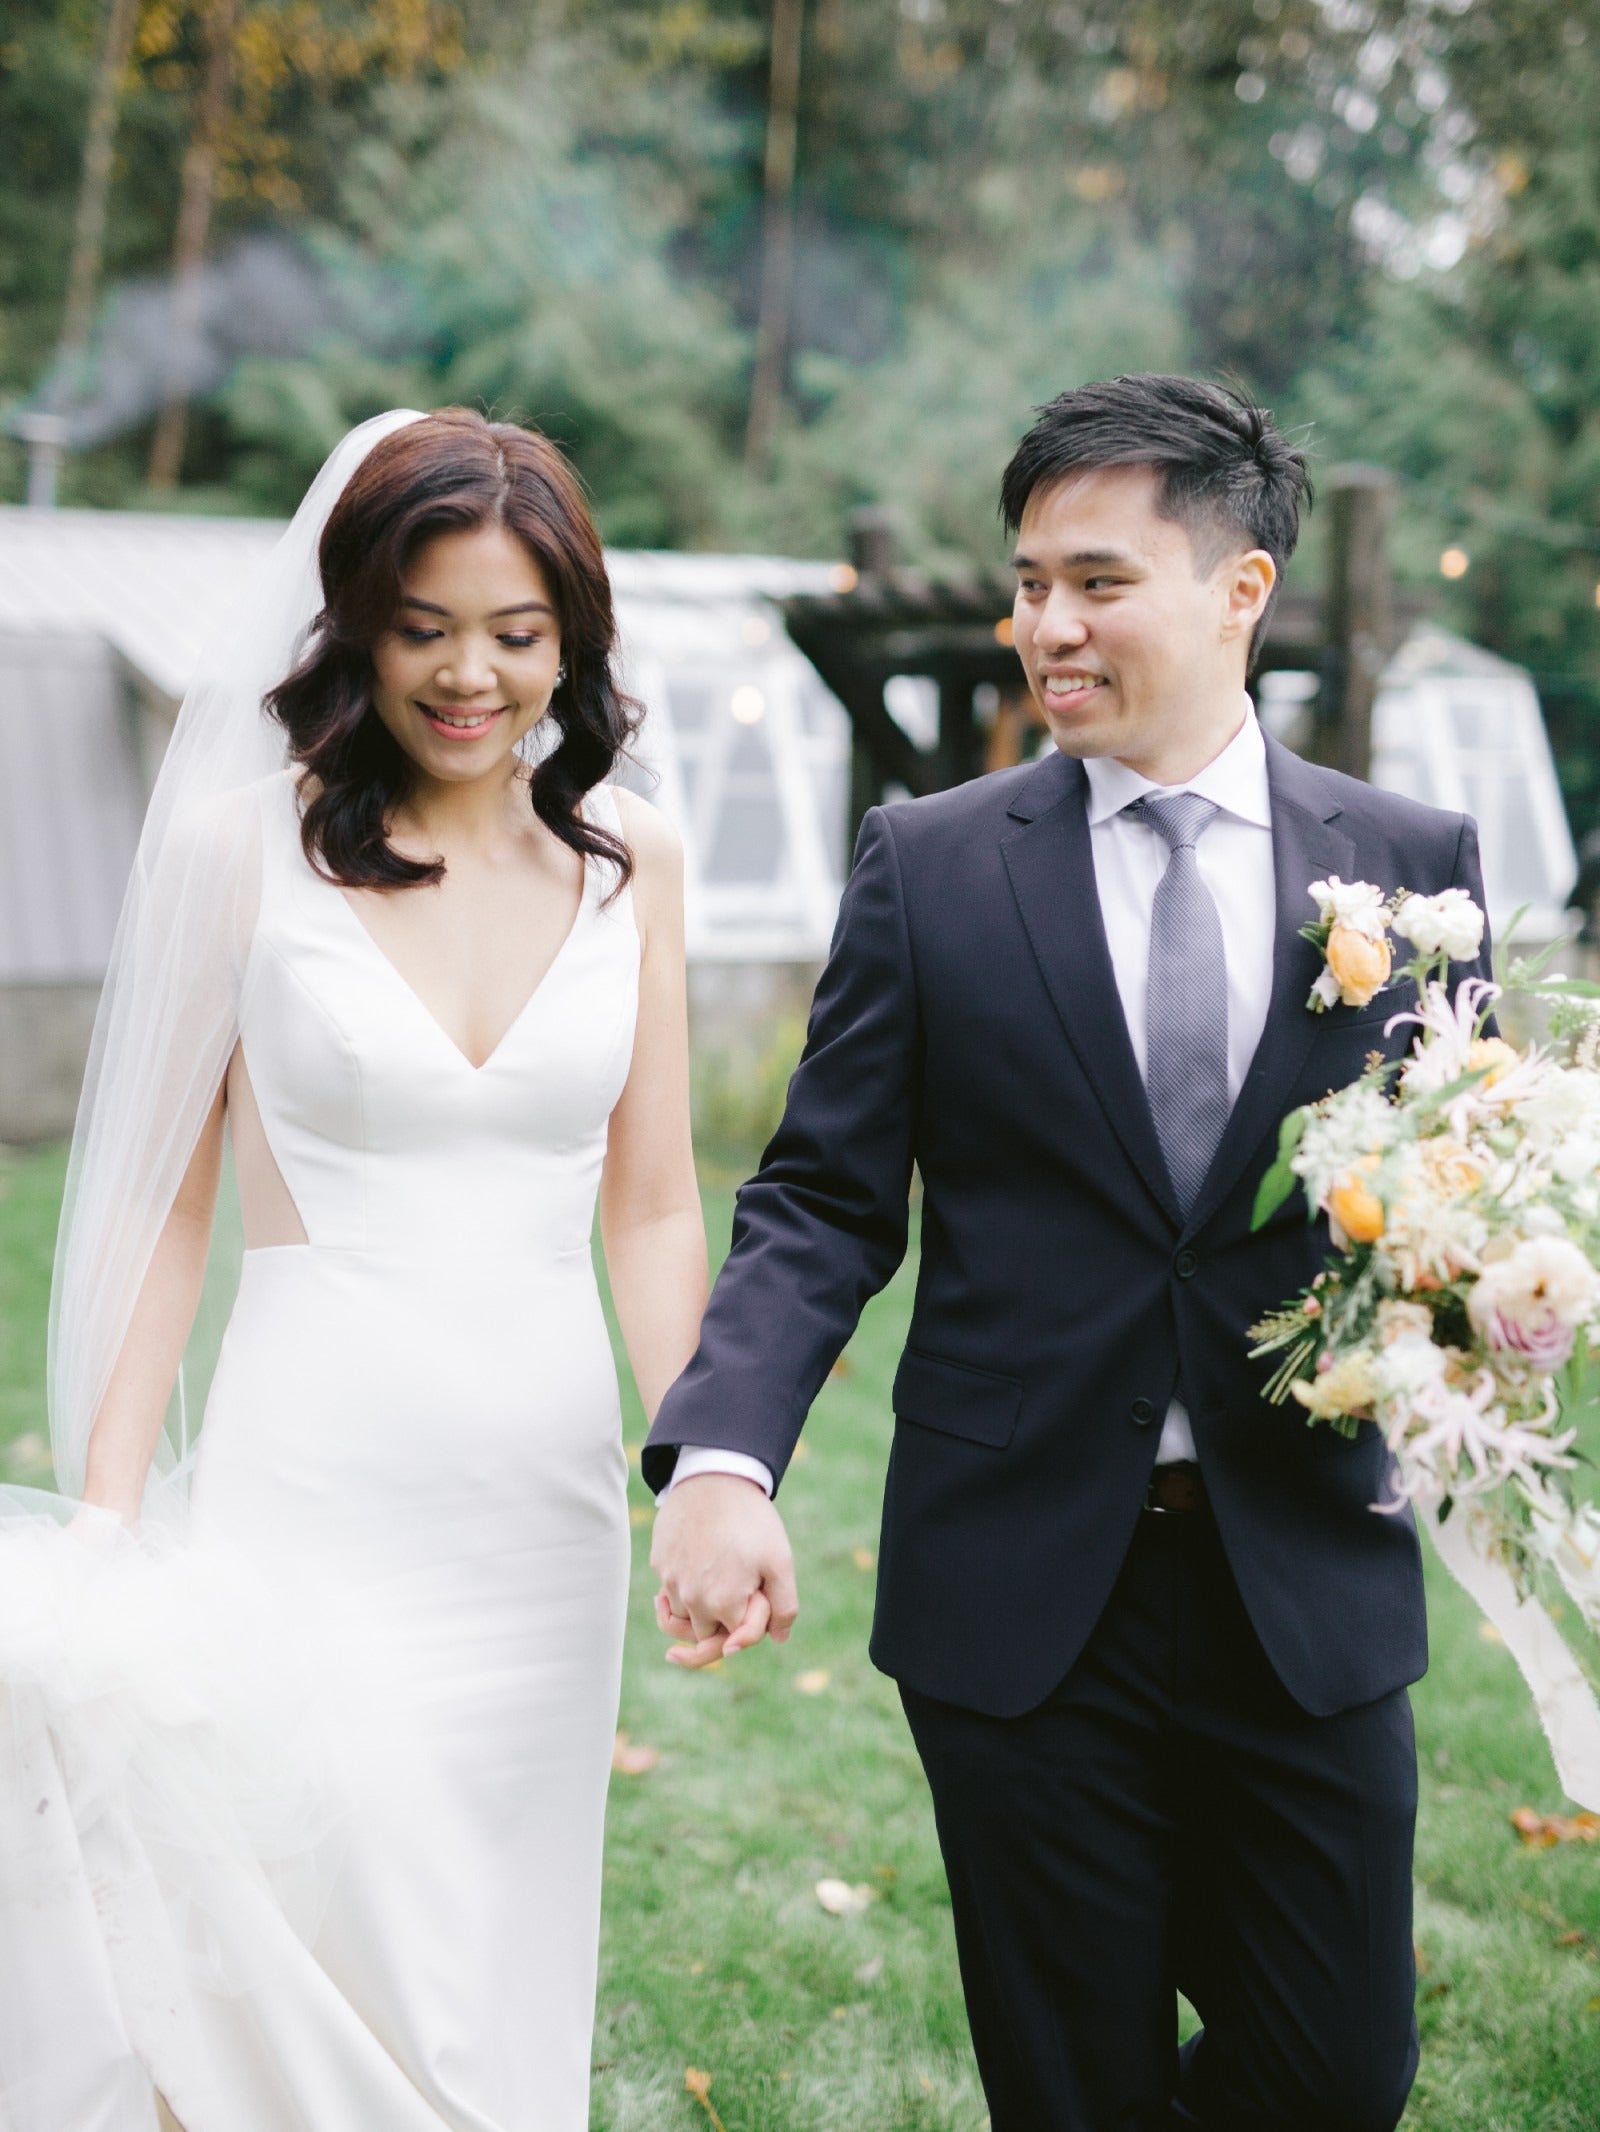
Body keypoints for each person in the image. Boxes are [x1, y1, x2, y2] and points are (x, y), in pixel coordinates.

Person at [646, 375, 1495, 2132]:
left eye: (1096, 582)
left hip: (1304, 1581)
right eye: (1029, 582)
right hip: (1021, 1591)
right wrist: (726, 1455)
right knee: (1073, 2089)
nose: (1046, 625)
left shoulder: (1415, 869)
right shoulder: (934, 865)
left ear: (1241, 589)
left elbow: (1456, 1195)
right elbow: (819, 1195)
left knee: (1337, 2073)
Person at [0, 409, 705, 2132]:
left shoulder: (637, 864)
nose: (472, 676)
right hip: (312, 1481)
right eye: (424, 628)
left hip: (542, 1515)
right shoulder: (238, 847)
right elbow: (165, 1204)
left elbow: (657, 1204)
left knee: (491, 1938)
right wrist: (104, 1505)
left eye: (517, 636)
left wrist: (699, 1466)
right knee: (294, 1920)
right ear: (355, 629)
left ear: (574, 643)